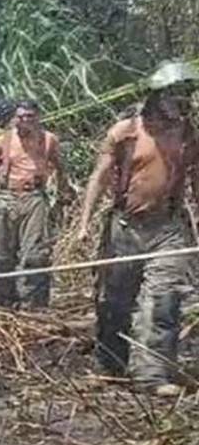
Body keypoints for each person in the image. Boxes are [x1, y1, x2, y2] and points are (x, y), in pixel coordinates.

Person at [76, 61, 199, 397]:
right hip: (126, 226)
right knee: (115, 302)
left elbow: (195, 178)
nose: (184, 101)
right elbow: (99, 177)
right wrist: (85, 224)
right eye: (176, 94)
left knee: (165, 299)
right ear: (157, 96)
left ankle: (153, 375)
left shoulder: (188, 135)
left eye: (188, 94)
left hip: (168, 228)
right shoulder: (126, 132)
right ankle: (110, 365)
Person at [0, 100, 71, 309]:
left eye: (30, 116)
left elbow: (60, 168)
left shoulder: (48, 141)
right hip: (5, 199)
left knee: (36, 255)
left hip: (35, 199)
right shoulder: (3, 141)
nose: (25, 121)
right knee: (1, 256)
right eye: (20, 117)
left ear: (38, 117)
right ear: (14, 118)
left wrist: (63, 195)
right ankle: (2, 304)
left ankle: (33, 305)